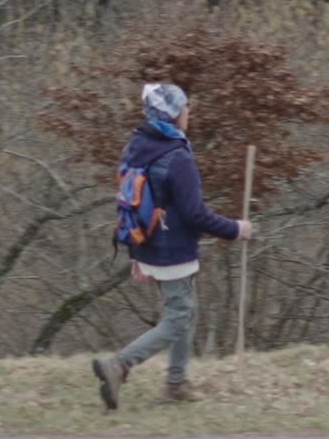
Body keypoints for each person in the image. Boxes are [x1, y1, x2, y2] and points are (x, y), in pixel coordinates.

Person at [92, 82, 252, 410]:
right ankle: (120, 365)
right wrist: (235, 229)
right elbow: (196, 215)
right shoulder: (177, 157)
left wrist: (137, 254)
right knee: (179, 317)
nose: (189, 112)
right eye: (185, 107)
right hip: (172, 250)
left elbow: (130, 205)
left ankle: (177, 383)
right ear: (173, 113)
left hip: (149, 245)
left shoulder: (138, 145)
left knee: (184, 311)